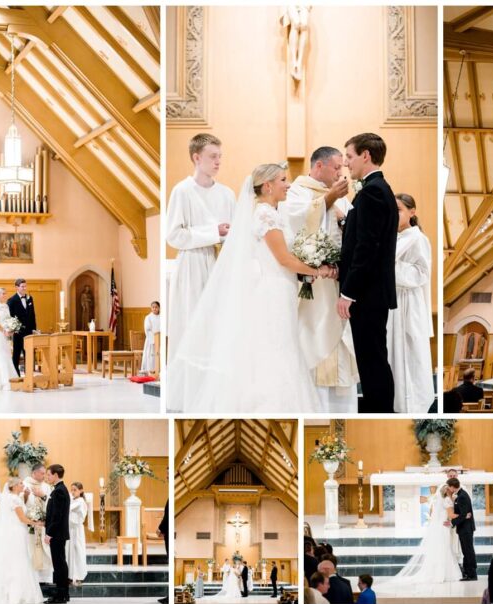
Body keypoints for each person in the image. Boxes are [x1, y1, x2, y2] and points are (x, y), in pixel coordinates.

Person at [167, 162, 327, 414]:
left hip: (282, 287)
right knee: (276, 348)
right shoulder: (265, 215)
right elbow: (284, 259)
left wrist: (307, 267)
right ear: (268, 185)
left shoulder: (273, 213)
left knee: (281, 346)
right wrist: (319, 270)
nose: (288, 185)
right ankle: (271, 405)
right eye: (283, 180)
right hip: (273, 290)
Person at [282, 146, 359, 412]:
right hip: (313, 284)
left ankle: (341, 409)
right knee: (313, 336)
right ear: (318, 166)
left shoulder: (342, 197)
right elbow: (293, 223)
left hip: (338, 283)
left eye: (342, 167)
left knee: (341, 339)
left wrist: (343, 219)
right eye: (336, 167)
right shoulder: (296, 192)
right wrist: (327, 201)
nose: (341, 172)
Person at [338, 133, 399, 413]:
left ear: (365, 155)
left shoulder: (373, 191)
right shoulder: (376, 189)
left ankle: (380, 411)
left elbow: (367, 247)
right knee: (372, 358)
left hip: (367, 292)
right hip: (372, 291)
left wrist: (349, 292)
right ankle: (379, 408)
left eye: (349, 157)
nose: (347, 163)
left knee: (372, 360)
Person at [166, 134, 236, 358]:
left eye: (220, 157)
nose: (218, 162)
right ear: (197, 157)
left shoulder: (226, 194)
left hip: (220, 264)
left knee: (218, 324)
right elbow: (174, 235)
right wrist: (213, 232)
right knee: (193, 322)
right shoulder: (183, 191)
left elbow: (234, 233)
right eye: (212, 156)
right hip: (193, 264)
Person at [387, 193, 434, 413]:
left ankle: (412, 405)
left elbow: (421, 273)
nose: (393, 214)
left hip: (408, 302)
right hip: (391, 300)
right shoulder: (390, 238)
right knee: (391, 355)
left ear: (412, 212)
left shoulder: (417, 238)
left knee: (409, 354)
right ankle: (395, 402)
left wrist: (387, 269)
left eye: (398, 209)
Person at [375, 485, 460, 594]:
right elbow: (451, 515)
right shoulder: (447, 500)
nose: (453, 491)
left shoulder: (441, 499)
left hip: (438, 527)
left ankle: (437, 573)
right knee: (444, 549)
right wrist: (464, 515)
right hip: (443, 527)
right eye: (451, 489)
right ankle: (444, 574)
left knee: (439, 550)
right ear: (448, 491)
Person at [43, 465, 71, 604]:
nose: (47, 477)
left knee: (59, 564)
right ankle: (63, 594)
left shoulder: (59, 491)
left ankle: (60, 595)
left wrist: (49, 533)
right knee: (60, 563)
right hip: (59, 533)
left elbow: (57, 516)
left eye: (48, 474)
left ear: (55, 475)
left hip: (57, 534)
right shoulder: (60, 489)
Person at [7, 279, 37, 377]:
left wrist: (34, 329)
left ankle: (28, 375)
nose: (24, 288)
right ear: (16, 287)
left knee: (28, 353)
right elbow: (9, 317)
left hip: (28, 331)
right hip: (18, 332)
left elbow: (32, 314)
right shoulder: (11, 300)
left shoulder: (29, 298)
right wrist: (14, 329)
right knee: (16, 353)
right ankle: (16, 375)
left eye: (25, 286)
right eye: (22, 286)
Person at [449, 477, 478, 580]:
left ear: (453, 487)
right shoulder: (460, 495)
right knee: (466, 551)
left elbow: (463, 514)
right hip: (464, 528)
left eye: (449, 487)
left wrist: (451, 522)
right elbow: (464, 514)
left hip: (466, 528)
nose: (449, 489)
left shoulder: (462, 496)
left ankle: (472, 574)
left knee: (468, 551)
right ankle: (468, 572)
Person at [68, 482, 89, 586]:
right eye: (71, 490)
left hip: (77, 530)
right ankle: (71, 576)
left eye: (75, 490)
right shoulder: (73, 500)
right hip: (71, 530)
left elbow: (68, 508)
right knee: (71, 553)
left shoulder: (80, 501)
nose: (72, 492)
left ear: (81, 491)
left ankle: (79, 576)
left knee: (78, 552)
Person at [140, 301, 161, 374]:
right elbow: (147, 329)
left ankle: (159, 369)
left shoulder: (162, 317)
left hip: (160, 339)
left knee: (159, 355)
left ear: (159, 308)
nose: (155, 309)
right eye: (153, 307)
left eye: (156, 307)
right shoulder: (148, 317)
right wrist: (153, 338)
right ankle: (150, 370)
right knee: (151, 355)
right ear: (151, 308)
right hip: (151, 339)